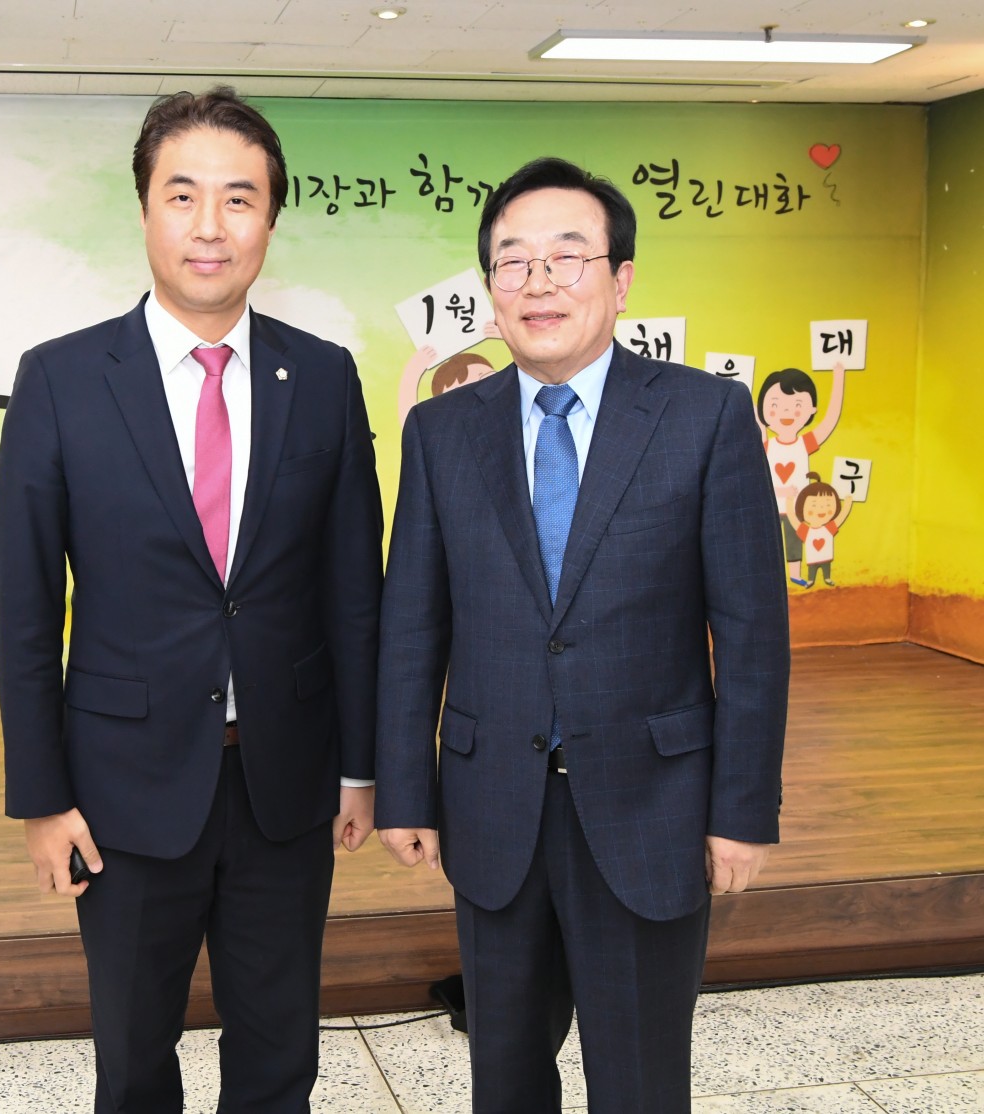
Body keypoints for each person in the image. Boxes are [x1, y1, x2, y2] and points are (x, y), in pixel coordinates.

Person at [0, 86, 383, 1114]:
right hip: (120, 789)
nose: (211, 225)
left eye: (239, 198)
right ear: (144, 211)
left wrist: (361, 766)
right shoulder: (62, 380)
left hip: (284, 784)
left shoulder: (324, 377)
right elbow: (25, 607)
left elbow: (354, 590)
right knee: (132, 1060)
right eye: (183, 195)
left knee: (279, 1055)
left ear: (270, 221)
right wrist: (41, 797)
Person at [375, 157, 790, 1114]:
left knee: (640, 1081)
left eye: (568, 257)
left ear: (622, 279)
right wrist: (404, 788)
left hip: (654, 806)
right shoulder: (442, 432)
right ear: (492, 288)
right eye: (513, 261)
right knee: (505, 1077)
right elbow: (412, 626)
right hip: (491, 803)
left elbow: (752, 635)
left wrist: (742, 809)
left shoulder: (703, 416)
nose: (540, 282)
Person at [755, 363, 846, 586]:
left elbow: (830, 419)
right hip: (769, 506)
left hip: (796, 509)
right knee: (765, 543)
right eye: (775, 405)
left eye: (797, 405)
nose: (786, 413)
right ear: (763, 411)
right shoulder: (766, 445)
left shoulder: (804, 443)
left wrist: (839, 377)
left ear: (812, 409)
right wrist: (782, 491)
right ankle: (765, 578)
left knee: (794, 542)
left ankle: (795, 575)